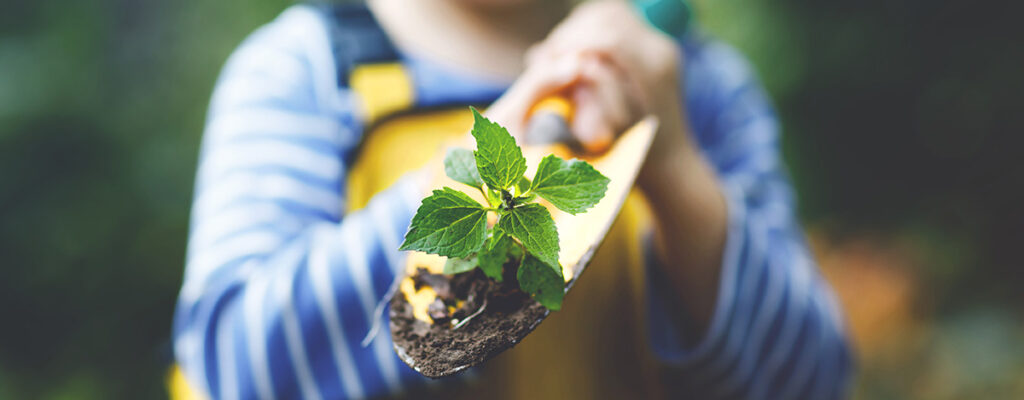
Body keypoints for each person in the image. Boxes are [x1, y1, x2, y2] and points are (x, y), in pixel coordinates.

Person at [172, 0, 853, 398]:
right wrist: (480, 188)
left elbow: (813, 381)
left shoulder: (694, 89)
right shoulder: (310, 72)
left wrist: (676, 170)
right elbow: (235, 372)